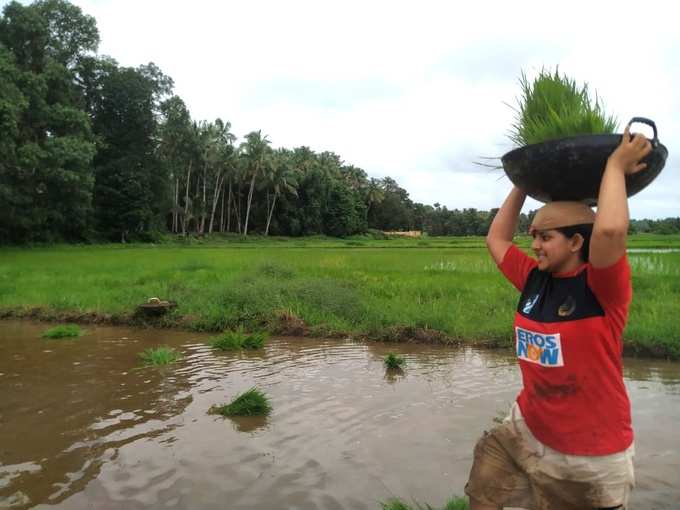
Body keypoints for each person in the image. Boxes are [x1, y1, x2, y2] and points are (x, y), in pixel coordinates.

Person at [464, 125, 653, 510]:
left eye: (545, 237)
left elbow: (613, 228)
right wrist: (525, 181)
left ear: (577, 242)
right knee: (483, 494)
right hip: (527, 430)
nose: (533, 245)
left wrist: (615, 166)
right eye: (533, 234)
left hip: (591, 455)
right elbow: (496, 240)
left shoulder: (600, 288)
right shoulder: (534, 279)